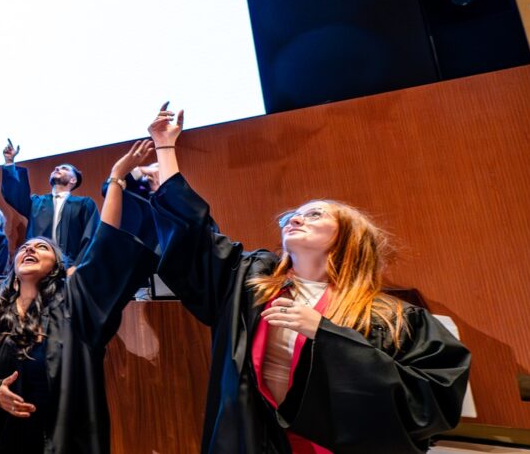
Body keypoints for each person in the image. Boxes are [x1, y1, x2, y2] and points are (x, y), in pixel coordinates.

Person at [141, 104, 470, 453]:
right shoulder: (251, 282)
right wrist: (165, 147)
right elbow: (196, 238)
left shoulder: (392, 317)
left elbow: (429, 402)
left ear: (349, 237)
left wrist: (325, 333)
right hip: (259, 440)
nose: (296, 220)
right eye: (293, 217)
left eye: (314, 214)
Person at [0, 141, 159, 454]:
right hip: (8, 439)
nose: (29, 248)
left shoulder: (75, 307)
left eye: (42, 248)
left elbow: (103, 244)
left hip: (64, 437)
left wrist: (118, 177)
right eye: (25, 247)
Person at [0, 139, 100, 266]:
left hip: (71, 268)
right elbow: (14, 194)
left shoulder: (84, 204)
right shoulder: (36, 203)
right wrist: (9, 162)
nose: (57, 168)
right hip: (38, 266)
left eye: (64, 168)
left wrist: (77, 267)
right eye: (56, 168)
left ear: (73, 180)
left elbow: (91, 237)